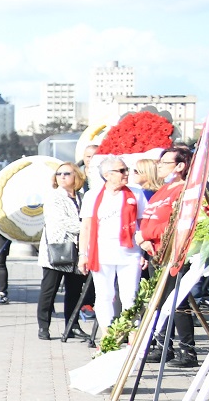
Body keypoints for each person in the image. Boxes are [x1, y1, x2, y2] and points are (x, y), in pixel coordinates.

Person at [140, 147, 199, 366]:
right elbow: (147, 219)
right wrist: (143, 239)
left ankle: (188, 351)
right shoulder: (163, 189)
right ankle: (163, 346)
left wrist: (147, 235)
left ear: (180, 166)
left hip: (173, 253)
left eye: (164, 163)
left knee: (177, 301)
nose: (159, 166)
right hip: (155, 252)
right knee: (160, 301)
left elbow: (176, 224)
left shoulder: (184, 190)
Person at [84, 155, 145, 345]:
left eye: (127, 170)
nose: (126, 174)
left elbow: (143, 223)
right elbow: (86, 227)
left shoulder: (136, 193)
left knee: (131, 295)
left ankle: (132, 335)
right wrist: (82, 254)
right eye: (122, 171)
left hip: (130, 252)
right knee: (104, 295)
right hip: (101, 252)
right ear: (107, 175)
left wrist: (144, 251)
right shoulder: (92, 195)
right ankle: (108, 336)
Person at [36, 162, 88, 343]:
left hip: (78, 251)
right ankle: (43, 326)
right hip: (57, 250)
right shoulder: (54, 197)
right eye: (59, 174)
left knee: (74, 291)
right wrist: (88, 228)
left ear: (76, 176)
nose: (62, 177)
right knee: (49, 290)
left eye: (66, 173)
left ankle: (72, 325)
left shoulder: (82, 197)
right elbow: (63, 222)